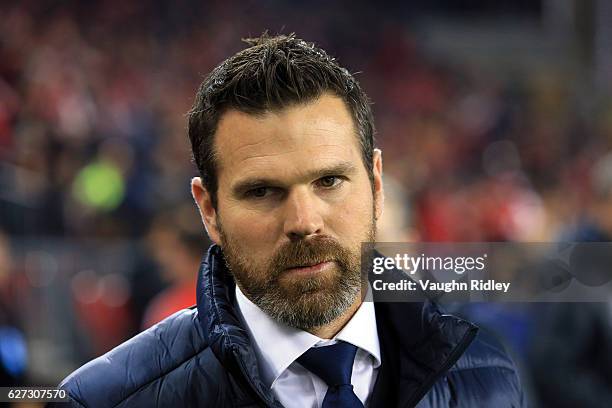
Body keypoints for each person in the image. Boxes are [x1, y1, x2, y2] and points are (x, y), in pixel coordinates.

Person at [52, 34, 524, 407]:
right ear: (209, 210)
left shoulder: (486, 373)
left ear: (376, 184)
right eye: (261, 191)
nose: (304, 221)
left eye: (329, 181)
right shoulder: (104, 400)